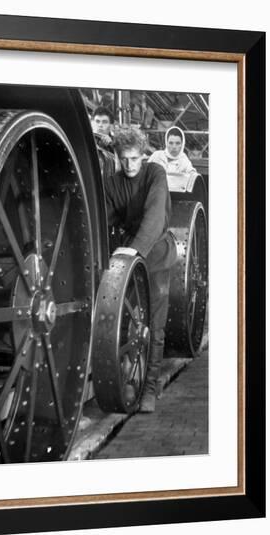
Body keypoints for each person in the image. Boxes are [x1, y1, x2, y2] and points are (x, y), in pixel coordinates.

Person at [104, 127, 177, 413]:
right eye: (125, 159)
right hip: (129, 257)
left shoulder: (155, 173)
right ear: (118, 157)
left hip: (156, 252)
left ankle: (149, 389)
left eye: (135, 158)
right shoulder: (112, 183)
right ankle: (130, 379)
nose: (130, 165)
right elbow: (104, 217)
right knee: (127, 323)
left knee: (155, 326)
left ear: (143, 155)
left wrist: (134, 249)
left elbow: (155, 215)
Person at [91, 106, 117, 181]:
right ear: (92, 123)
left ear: (111, 126)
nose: (100, 125)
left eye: (104, 122)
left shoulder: (117, 144)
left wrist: (112, 146)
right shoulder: (86, 141)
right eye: (97, 121)